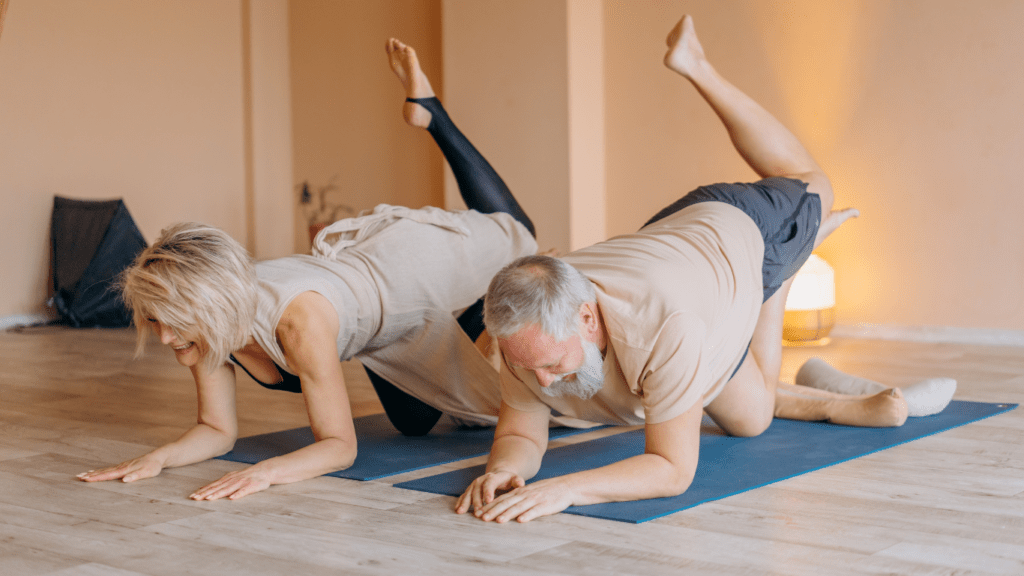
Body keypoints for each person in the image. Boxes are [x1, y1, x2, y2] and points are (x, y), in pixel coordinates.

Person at [77, 39, 592, 500]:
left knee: (519, 236)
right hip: (380, 329)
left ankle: (431, 114)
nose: (164, 338)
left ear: (211, 303)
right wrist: (158, 458)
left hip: (406, 272)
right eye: (156, 321)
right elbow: (217, 430)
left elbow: (339, 447)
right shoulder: (206, 331)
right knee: (415, 424)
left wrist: (269, 473)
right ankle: (475, 308)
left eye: (171, 321)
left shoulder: (299, 323)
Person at [455, 15, 914, 524]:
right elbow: (521, 432)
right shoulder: (530, 332)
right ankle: (826, 389)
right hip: (682, 262)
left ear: (586, 318)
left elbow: (672, 469)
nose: (540, 380)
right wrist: (502, 469)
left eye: (550, 364)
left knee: (812, 180)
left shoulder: (665, 326)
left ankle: (697, 66)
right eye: (529, 367)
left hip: (740, 227)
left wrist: (563, 490)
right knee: (751, 421)